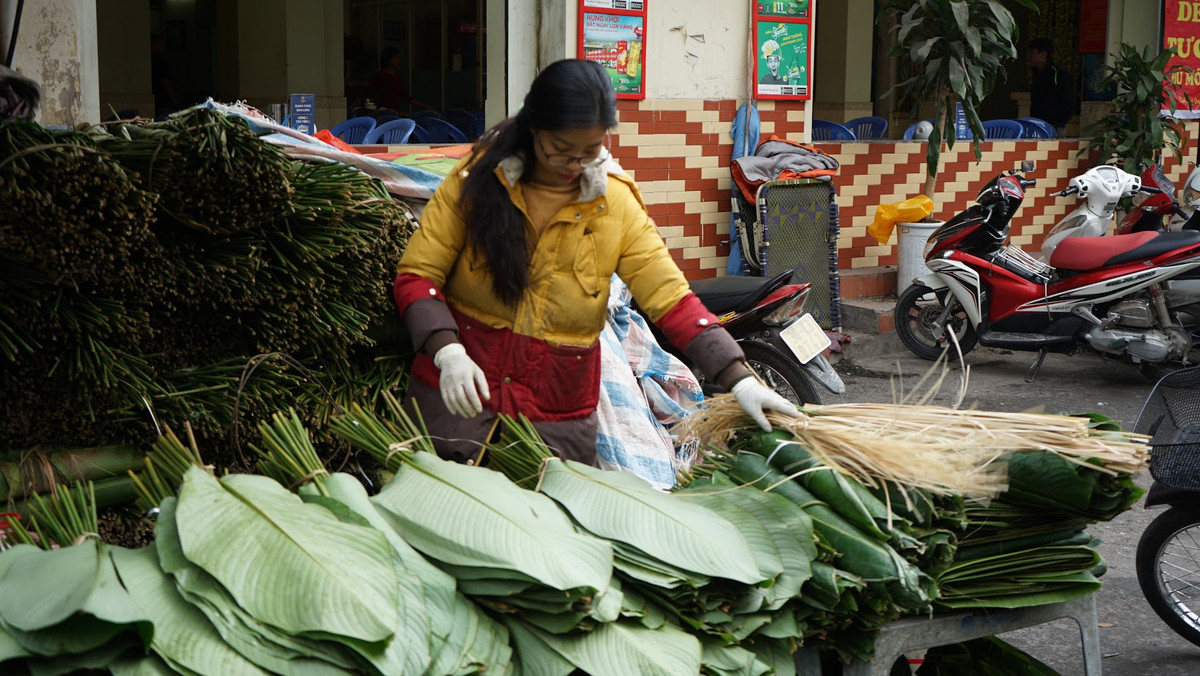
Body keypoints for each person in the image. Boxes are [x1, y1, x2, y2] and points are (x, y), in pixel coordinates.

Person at [393, 59, 796, 465]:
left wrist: (738, 377)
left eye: (590, 152)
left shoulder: (615, 203)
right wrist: (447, 352)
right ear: (533, 130)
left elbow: (669, 297)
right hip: (460, 399)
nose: (575, 166)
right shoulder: (477, 182)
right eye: (561, 151)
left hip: (555, 412)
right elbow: (417, 275)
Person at [359, 47, 430, 112]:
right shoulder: (381, 75)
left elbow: (405, 96)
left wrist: (424, 106)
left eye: (398, 57)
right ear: (388, 59)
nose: (398, 60)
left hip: (395, 112)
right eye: (394, 58)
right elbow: (369, 90)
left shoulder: (396, 76)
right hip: (384, 111)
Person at [1028, 37, 1073, 135]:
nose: (1030, 56)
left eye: (1032, 53)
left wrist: (1062, 121)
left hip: (1055, 123)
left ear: (1043, 54)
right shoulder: (1036, 73)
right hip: (1038, 122)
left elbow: (1066, 97)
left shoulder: (1058, 73)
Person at [151, 34, 178, 116]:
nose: (163, 46)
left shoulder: (155, 60)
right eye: (161, 43)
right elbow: (165, 81)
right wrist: (174, 101)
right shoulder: (159, 62)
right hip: (160, 98)